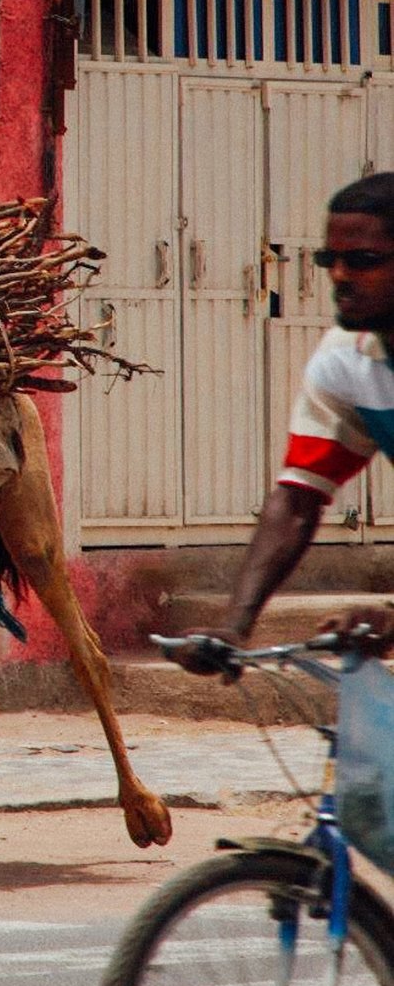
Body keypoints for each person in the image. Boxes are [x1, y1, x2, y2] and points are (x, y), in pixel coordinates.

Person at [174, 173, 394, 670]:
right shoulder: (347, 362)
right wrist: (235, 626)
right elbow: (298, 498)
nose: (339, 275)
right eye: (328, 261)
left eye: (363, 261)